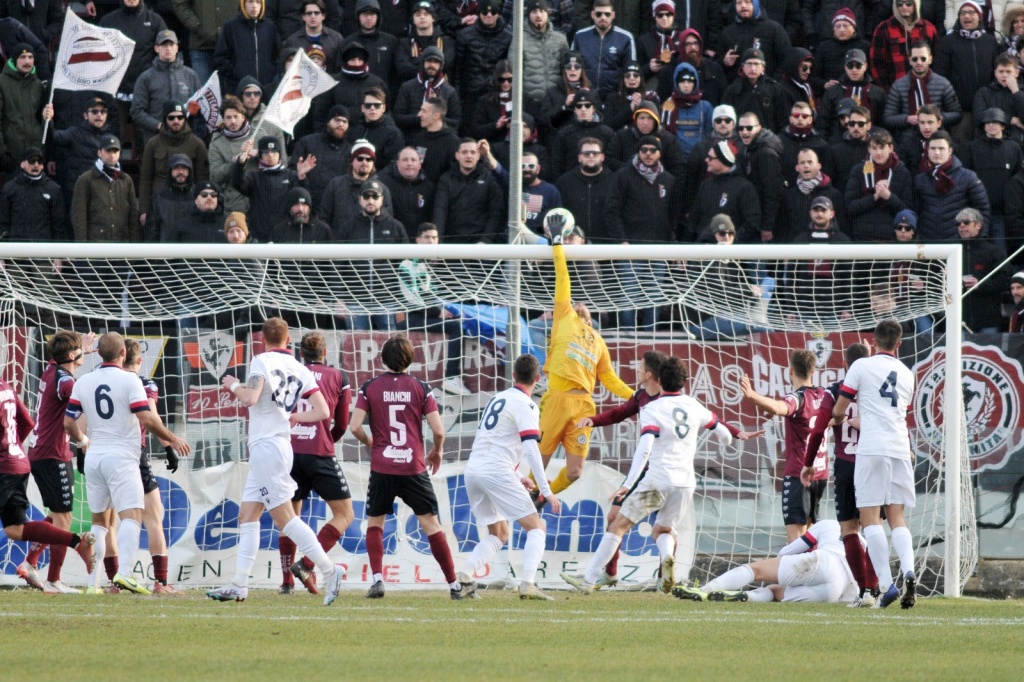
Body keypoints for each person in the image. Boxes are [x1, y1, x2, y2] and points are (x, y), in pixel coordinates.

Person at [561, 356, 735, 595]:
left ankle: (589, 579)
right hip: (685, 483)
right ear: (683, 382)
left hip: (658, 479)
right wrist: (726, 439)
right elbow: (724, 435)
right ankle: (666, 558)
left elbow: (644, 449)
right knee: (663, 531)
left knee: (618, 526)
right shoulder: (695, 405)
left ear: (660, 379)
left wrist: (628, 484)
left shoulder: (652, 408)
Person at [209, 318, 343, 605]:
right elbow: (322, 411)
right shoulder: (299, 367)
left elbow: (250, 398)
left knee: (285, 519)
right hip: (273, 446)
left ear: (262, 339)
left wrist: (233, 385)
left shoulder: (261, 360)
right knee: (247, 515)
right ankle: (239, 585)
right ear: (288, 340)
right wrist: (295, 417)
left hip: (268, 447)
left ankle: (330, 570)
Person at [349, 334, 474, 600]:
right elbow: (439, 431)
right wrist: (436, 451)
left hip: (382, 466)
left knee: (375, 522)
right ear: (411, 359)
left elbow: (354, 426)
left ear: (383, 359)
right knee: (430, 523)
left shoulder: (369, 387)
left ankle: (377, 580)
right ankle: (453, 586)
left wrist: (370, 441)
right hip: (412, 467)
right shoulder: (421, 388)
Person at [64, 332, 190, 595]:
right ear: (123, 354)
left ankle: (94, 583)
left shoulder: (83, 381)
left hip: (94, 456)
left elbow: (69, 422)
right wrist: (172, 438)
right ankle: (126, 574)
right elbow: (147, 418)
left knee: (99, 521)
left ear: (98, 354)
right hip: (122, 457)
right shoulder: (131, 380)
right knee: (133, 515)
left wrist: (83, 441)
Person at [532, 209, 634, 503]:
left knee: (575, 471)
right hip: (557, 399)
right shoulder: (564, 317)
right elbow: (562, 276)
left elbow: (610, 379)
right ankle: (523, 501)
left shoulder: (599, 341)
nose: (581, 308)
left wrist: (637, 396)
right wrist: (557, 243)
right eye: (578, 306)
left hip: (583, 408)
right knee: (539, 464)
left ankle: (540, 499)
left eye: (584, 308)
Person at [458, 353, 562, 601]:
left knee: (500, 533)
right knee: (537, 526)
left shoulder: (498, 398)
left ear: (514, 375)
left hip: (474, 470)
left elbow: (492, 443)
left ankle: (465, 575)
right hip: (495, 471)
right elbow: (531, 448)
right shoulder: (527, 406)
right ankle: (528, 583)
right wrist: (545, 489)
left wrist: (517, 475)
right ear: (538, 379)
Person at [831, 319, 918, 609]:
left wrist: (841, 418)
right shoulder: (907, 373)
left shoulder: (861, 366)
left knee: (869, 519)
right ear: (899, 343)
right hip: (901, 448)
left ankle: (885, 584)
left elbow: (839, 409)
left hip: (872, 448)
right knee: (897, 518)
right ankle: (909, 570)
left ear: (874, 340)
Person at [2, 371, 96, 593]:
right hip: (17, 462)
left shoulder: (57, 376)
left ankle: (53, 577)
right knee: (15, 529)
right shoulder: (6, 387)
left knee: (59, 515)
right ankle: (75, 543)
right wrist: (12, 447)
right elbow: (26, 423)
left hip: (12, 464)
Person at [801, 341, 880, 606]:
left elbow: (817, 429)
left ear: (845, 365)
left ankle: (864, 592)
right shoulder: (877, 389)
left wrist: (808, 463)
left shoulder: (835, 392)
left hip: (846, 466)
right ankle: (875, 588)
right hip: (872, 463)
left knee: (849, 530)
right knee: (874, 528)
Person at [279, 331, 354, 595]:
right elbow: (343, 423)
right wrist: (326, 439)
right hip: (319, 453)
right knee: (345, 514)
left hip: (288, 452)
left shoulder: (288, 372)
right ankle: (307, 565)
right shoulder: (338, 377)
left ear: (301, 353)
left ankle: (286, 582)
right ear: (326, 353)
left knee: (290, 518)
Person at [740, 349, 827, 543]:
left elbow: (780, 408)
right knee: (810, 537)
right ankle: (814, 572)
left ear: (790, 371)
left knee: (796, 540)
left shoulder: (797, 398)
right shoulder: (822, 395)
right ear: (813, 371)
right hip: (820, 475)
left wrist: (753, 396)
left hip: (799, 475)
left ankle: (799, 573)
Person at [675, 520, 859, 604]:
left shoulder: (828, 524)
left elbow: (785, 552)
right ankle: (748, 597)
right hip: (836, 590)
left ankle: (705, 590)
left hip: (823, 561)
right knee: (776, 591)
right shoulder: (862, 543)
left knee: (756, 570)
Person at [121, 339, 180, 594]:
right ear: (139, 360)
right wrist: (169, 446)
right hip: (135, 452)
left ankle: (115, 581)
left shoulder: (99, 380)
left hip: (104, 455)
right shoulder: (143, 383)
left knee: (113, 520)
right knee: (154, 516)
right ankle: (161, 583)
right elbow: (152, 418)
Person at [397, 223, 470, 395]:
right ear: (418, 240)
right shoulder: (407, 265)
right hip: (412, 319)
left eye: (434, 238)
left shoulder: (434, 265)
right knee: (456, 327)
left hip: (428, 316)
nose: (431, 241)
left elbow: (438, 297)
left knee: (463, 321)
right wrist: (438, 312)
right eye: (427, 237)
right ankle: (452, 377)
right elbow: (412, 299)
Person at [232, 135, 315, 243]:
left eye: (274, 152)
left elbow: (303, 199)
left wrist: (302, 178)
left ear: (280, 154)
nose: (270, 156)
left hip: (286, 235)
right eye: (266, 152)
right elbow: (237, 183)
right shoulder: (254, 177)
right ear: (260, 155)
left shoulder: (291, 176)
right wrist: (240, 163)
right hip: (260, 235)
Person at [138, 100, 210, 220]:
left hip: (188, 202)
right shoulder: (153, 144)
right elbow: (145, 179)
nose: (176, 121)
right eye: (171, 118)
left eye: (180, 117)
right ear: (165, 119)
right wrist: (144, 210)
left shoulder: (197, 144)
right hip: (159, 203)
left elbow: (202, 179)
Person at [913, 130, 990, 242]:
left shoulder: (968, 177)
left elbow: (983, 209)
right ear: (927, 151)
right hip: (928, 244)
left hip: (960, 244)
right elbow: (915, 211)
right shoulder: (920, 179)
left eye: (941, 149)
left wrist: (979, 238)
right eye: (933, 148)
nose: (937, 152)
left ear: (950, 151)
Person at [963, 107, 1020, 253]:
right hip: (977, 210)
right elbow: (966, 176)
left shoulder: (1013, 148)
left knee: (999, 251)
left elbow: (1018, 177)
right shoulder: (972, 147)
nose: (990, 125)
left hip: (1003, 211)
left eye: (995, 121)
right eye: (987, 122)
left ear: (1003, 125)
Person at [130, 30, 202, 146]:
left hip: (185, 140)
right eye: (164, 45)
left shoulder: (191, 75)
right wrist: (158, 126)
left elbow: (203, 108)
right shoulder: (145, 78)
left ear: (177, 48)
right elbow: (136, 112)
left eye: (171, 44)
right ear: (156, 48)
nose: (168, 48)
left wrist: (197, 110)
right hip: (156, 140)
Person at [845, 129, 915, 243]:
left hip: (890, 237)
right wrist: (874, 197)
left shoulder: (902, 172)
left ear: (890, 148)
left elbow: (908, 209)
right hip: (862, 236)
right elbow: (850, 207)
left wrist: (889, 197)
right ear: (869, 149)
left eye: (882, 148)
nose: (878, 153)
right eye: (874, 148)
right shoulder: (858, 170)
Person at [685, 138, 761, 243]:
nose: (706, 160)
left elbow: (752, 222)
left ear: (723, 160)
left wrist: (731, 241)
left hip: (730, 253)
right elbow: (694, 219)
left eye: (710, 158)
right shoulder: (705, 185)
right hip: (704, 251)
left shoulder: (744, 187)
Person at [432, 138, 505, 243]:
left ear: (478, 156)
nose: (469, 156)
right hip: (452, 243)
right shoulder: (446, 179)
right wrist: (439, 242)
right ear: (457, 155)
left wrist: (485, 240)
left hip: (481, 243)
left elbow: (495, 212)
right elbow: (440, 211)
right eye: (464, 152)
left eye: (473, 152)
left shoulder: (489, 178)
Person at [882, 41, 961, 136]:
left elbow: (957, 114)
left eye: (923, 59)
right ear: (910, 60)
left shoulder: (943, 83)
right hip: (908, 137)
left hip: (937, 137)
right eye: (915, 59)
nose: (919, 63)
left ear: (930, 60)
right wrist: (907, 119)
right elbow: (887, 118)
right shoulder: (898, 85)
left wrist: (937, 118)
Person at [72, 135, 140, 243]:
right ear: (99, 152)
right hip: (95, 244)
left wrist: (133, 247)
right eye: (108, 151)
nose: (112, 155)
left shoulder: (126, 180)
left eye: (115, 151)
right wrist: (82, 247)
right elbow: (79, 215)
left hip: (122, 244)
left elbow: (133, 215)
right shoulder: (86, 179)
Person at [456, 0, 513, 130]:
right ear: (478, 13)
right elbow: (458, 70)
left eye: (493, 11)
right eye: (484, 12)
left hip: (495, 95)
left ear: (499, 13)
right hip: (470, 94)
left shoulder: (508, 37)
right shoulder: (464, 35)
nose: (489, 15)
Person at [554, 137, 617, 242]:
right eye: (586, 153)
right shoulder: (564, 182)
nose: (591, 156)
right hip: (574, 244)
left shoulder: (616, 181)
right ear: (579, 157)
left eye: (595, 153)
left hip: (608, 246)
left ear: (602, 157)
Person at [570, 0, 637, 98]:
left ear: (613, 15)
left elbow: (631, 70)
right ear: (592, 14)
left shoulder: (625, 38)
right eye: (599, 14)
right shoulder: (580, 36)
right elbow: (572, 67)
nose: (603, 17)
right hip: (586, 97)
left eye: (607, 14)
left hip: (614, 97)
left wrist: (626, 94)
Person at [957, 207, 1008, 333]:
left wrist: (980, 284)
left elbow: (1005, 280)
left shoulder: (993, 252)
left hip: (988, 320)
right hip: (960, 320)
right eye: (958, 223)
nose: (962, 226)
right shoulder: (953, 252)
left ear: (978, 225)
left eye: (966, 222)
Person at [869, 0, 940, 91]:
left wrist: (932, 86)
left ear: (916, 4)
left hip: (925, 89)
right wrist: (887, 90)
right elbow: (876, 63)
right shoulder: (883, 29)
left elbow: (938, 61)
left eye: (908, 3)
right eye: (900, 4)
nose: (904, 7)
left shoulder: (929, 28)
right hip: (895, 91)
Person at [736, 111, 784, 243]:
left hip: (763, 222)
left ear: (759, 128)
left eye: (749, 128)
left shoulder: (766, 153)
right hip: (753, 217)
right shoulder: (747, 148)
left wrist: (767, 226)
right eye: (740, 128)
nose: (744, 132)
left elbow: (772, 192)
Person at [817, 49, 885, 141]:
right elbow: (823, 122)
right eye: (850, 66)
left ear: (865, 66)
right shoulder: (832, 92)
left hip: (870, 143)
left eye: (858, 65)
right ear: (845, 67)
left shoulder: (878, 93)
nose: (854, 70)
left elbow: (882, 122)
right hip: (838, 143)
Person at [0, 147, 67, 241]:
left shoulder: (53, 189)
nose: (36, 165)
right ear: (22, 164)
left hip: (43, 248)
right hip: (15, 248)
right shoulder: (9, 188)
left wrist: (58, 252)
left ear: (43, 165)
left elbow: (59, 224)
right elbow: (3, 222)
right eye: (32, 161)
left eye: (39, 161)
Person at [214, 0, 279, 94]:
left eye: (258, 2)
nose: (254, 6)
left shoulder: (269, 27)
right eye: (250, 2)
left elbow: (277, 55)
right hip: (237, 88)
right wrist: (236, 74)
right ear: (243, 4)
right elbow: (220, 58)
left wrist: (270, 74)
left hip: (265, 88)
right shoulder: (231, 27)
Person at [716, 0, 791, 82]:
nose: (743, 6)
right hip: (738, 90)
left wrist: (773, 83)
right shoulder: (728, 32)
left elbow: (786, 59)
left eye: (747, 2)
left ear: (756, 4)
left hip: (768, 88)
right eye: (739, 3)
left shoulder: (773, 29)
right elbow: (717, 64)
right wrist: (724, 62)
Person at [394, 46, 462, 135]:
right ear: (422, 63)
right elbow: (398, 117)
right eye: (429, 61)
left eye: (436, 62)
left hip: (439, 138)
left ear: (441, 66)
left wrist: (435, 118)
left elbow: (456, 122)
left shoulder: (449, 91)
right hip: (412, 137)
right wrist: (421, 118)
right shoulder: (407, 87)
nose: (432, 65)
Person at [721, 49, 788, 134]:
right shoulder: (733, 90)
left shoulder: (774, 89)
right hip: (739, 138)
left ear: (763, 67)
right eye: (749, 64)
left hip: (767, 139)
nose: (752, 68)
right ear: (743, 67)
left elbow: (782, 121)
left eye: (756, 64)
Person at [0, 43, 44, 172]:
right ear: (14, 60)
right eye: (23, 57)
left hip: (35, 155)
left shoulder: (38, 85)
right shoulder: (2, 82)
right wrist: (2, 151)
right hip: (11, 154)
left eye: (30, 57)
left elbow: (40, 119)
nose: (27, 61)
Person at [172, 0, 238, 83]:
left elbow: (248, 5)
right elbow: (180, 4)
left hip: (231, 47)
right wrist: (197, 26)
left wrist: (237, 28)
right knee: (203, 93)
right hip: (201, 47)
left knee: (231, 93)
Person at [522, 0, 569, 108]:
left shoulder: (560, 40)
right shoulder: (519, 40)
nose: (538, 15)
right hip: (530, 103)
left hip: (556, 102)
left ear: (548, 14)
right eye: (534, 11)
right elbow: (514, 73)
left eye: (542, 11)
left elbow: (566, 72)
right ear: (528, 15)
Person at [379, 146, 435, 237]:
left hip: (421, 242)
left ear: (419, 165)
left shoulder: (429, 187)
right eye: (405, 160)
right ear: (397, 163)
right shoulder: (385, 186)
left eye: (413, 160)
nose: (409, 163)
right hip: (396, 240)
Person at [396, 0, 456, 84]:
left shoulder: (446, 41)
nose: (422, 17)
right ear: (413, 19)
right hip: (413, 90)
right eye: (418, 15)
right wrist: (433, 64)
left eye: (426, 14)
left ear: (433, 18)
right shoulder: (404, 43)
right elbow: (403, 68)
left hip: (442, 91)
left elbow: (447, 64)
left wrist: (415, 61)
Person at [408, 96, 462, 184]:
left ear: (436, 115)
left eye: (424, 111)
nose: (419, 114)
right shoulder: (418, 138)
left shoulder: (453, 143)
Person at [284, 1, 345, 73]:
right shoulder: (292, 41)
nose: (313, 16)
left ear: (323, 16)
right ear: (303, 17)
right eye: (309, 13)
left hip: (331, 81)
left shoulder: (336, 39)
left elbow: (341, 68)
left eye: (316, 13)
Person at [162, 181, 227, 242]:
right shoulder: (182, 226)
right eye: (204, 195)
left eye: (213, 194)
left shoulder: (228, 224)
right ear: (196, 200)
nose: (209, 197)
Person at [269, 187, 333, 243]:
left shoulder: (323, 230)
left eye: (304, 205)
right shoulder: (278, 231)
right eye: (296, 204)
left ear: (309, 207)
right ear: (289, 207)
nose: (300, 209)